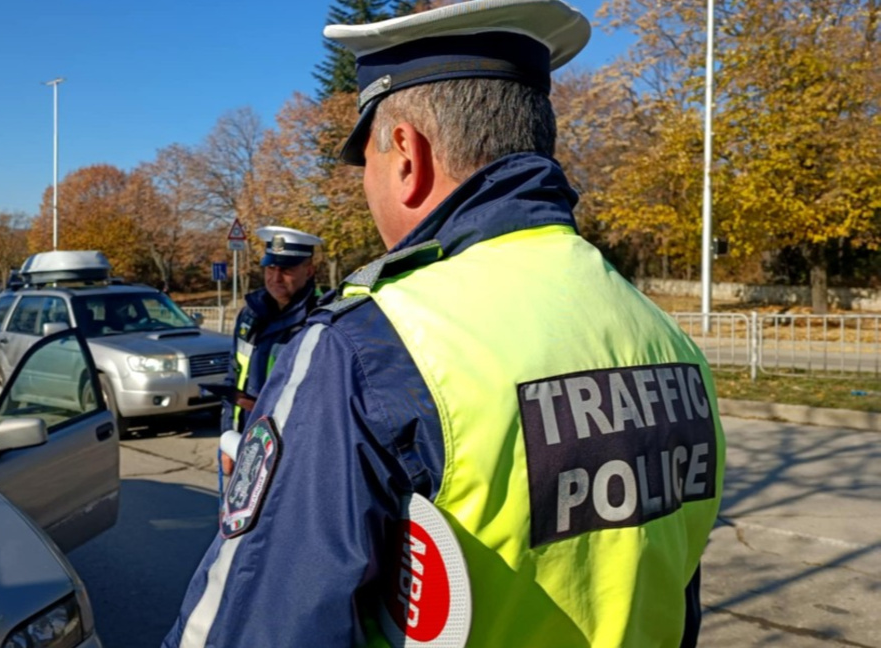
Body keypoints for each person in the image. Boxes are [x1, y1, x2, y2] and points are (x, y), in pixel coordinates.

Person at [164, 1, 727, 647]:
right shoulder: (662, 334)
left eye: (365, 163)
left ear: (407, 154)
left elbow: (260, 625)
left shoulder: (365, 345)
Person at [216, 225, 323, 477]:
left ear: (309, 271)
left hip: (292, 453)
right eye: (270, 268)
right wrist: (226, 439)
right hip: (244, 443)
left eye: (286, 270)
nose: (275, 278)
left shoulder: (320, 322)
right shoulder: (249, 315)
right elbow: (234, 378)